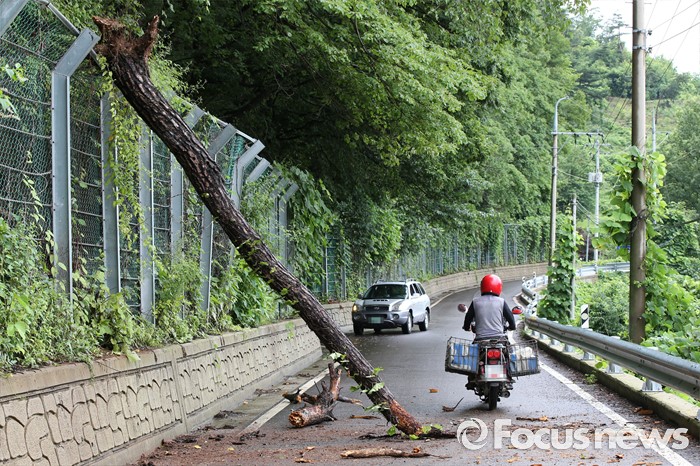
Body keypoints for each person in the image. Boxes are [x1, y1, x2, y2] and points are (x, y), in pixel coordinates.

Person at [457, 274, 516, 390]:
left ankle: (471, 379)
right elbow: (511, 320)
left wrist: (466, 327)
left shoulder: (475, 302)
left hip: (481, 341)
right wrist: (511, 327)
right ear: (499, 287)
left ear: (482, 287)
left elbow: (468, 319)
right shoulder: (501, 302)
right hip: (500, 339)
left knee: (472, 357)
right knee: (509, 354)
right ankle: (509, 377)